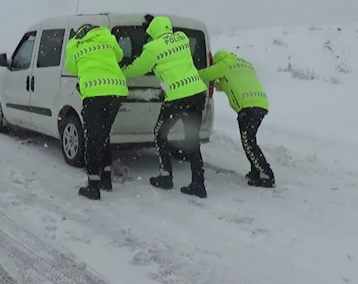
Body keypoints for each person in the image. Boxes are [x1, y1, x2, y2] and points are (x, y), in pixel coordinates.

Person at [121, 15, 209, 198]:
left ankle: (165, 176)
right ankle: (198, 184)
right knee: (192, 139)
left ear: (153, 31)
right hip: (198, 93)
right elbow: (168, 42)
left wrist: (120, 71)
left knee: (160, 134)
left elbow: (138, 68)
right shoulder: (182, 38)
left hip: (177, 98)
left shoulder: (152, 48)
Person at [65, 23, 129, 200]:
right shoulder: (107, 38)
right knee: (104, 135)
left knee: (93, 139)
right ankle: (106, 179)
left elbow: (71, 67)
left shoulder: (74, 45)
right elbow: (120, 56)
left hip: (94, 93)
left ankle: (93, 186)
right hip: (116, 92)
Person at [198, 50, 275, 188]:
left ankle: (266, 175)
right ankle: (255, 171)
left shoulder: (224, 64)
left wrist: (187, 73)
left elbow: (205, 74)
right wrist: (217, 85)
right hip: (260, 104)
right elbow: (233, 81)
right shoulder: (245, 64)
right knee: (250, 140)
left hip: (248, 107)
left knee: (248, 142)